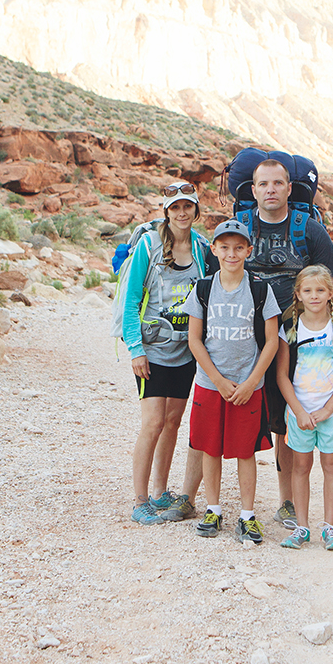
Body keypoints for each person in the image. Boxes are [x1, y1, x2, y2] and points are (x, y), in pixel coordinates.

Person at [240, 158, 333, 529]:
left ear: (288, 188)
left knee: (284, 421)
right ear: (253, 190)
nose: (270, 190)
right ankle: (209, 499)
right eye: (263, 184)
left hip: (297, 346)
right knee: (234, 415)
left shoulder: (308, 230)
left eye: (277, 183)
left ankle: (286, 502)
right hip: (244, 344)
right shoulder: (240, 230)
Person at [185, 219, 281, 544]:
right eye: (224, 247)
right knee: (210, 448)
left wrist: (253, 380)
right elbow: (194, 340)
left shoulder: (259, 289)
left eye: (239, 247)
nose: (231, 253)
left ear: (249, 250)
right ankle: (213, 509)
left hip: (247, 385)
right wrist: (217, 379)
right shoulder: (202, 288)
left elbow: (271, 341)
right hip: (211, 384)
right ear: (214, 249)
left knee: (245, 450)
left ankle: (247, 515)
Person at [124, 183, 214, 525]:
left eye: (187, 207)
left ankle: (161, 492)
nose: (181, 213)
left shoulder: (202, 248)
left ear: (195, 210)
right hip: (152, 349)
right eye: (175, 207)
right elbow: (132, 300)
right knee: (152, 423)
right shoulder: (149, 246)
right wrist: (135, 349)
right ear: (166, 211)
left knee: (173, 421)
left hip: (186, 350)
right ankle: (139, 500)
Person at [275, 266, 333, 550]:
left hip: (331, 411)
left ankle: (330, 526)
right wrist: (298, 411)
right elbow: (282, 375)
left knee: (331, 464)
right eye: (307, 291)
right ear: (297, 294)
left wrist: (328, 409)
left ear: (330, 294)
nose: (314, 296)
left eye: (320, 290)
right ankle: (302, 526)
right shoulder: (289, 330)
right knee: (300, 466)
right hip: (300, 410)